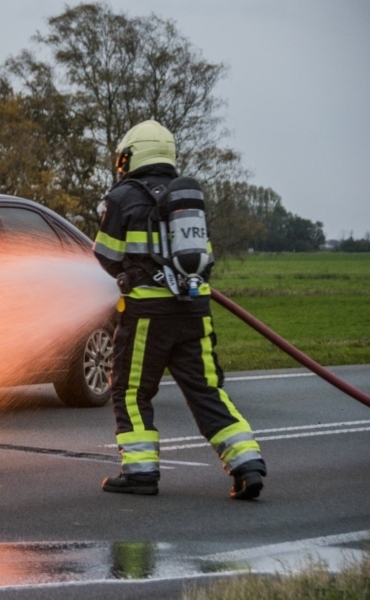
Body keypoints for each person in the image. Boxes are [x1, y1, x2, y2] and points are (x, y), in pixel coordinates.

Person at [93, 119, 267, 500]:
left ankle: (140, 473)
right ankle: (246, 463)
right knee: (206, 390)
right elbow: (204, 257)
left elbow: (105, 256)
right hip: (194, 310)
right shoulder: (186, 197)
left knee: (130, 391)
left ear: (129, 156)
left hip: (146, 317)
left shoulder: (121, 198)